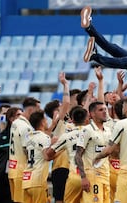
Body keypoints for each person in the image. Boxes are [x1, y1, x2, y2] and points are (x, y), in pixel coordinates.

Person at [45, 106, 89, 203]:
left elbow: (48, 155)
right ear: (87, 119)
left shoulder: (66, 136)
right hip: (90, 175)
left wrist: (62, 149)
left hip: (74, 175)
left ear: (72, 120)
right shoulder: (94, 133)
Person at [74, 101, 111, 203]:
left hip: (106, 175)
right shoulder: (87, 130)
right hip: (93, 176)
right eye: (101, 110)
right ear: (92, 114)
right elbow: (78, 155)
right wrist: (83, 177)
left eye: (105, 109)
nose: (104, 112)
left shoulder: (108, 130)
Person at [43, 72, 71, 203]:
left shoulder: (54, 126)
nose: (63, 108)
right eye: (60, 107)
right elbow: (67, 102)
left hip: (63, 167)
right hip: (62, 167)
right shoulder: (58, 122)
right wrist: (65, 85)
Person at [8, 97, 41, 203]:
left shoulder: (16, 123)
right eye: (38, 110)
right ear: (31, 110)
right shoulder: (26, 127)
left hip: (13, 169)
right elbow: (28, 150)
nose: (39, 114)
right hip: (22, 171)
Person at [22, 110, 53, 203]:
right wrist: (58, 148)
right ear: (43, 122)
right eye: (46, 120)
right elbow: (47, 157)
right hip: (38, 181)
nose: (47, 122)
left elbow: (25, 153)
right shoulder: (44, 137)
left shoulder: (28, 137)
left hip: (26, 180)